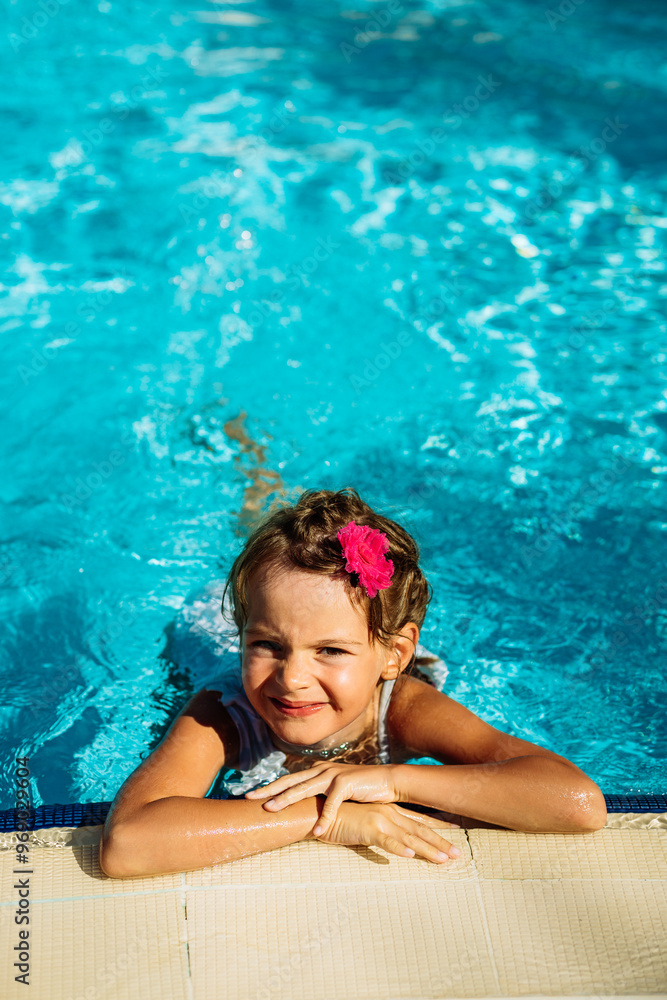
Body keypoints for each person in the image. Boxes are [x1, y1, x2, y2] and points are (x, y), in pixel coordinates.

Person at [99, 487, 607, 879]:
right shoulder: (223, 712)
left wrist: (389, 783)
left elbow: (576, 803)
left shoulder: (403, 707)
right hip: (201, 625)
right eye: (265, 646)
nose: (291, 678)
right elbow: (127, 843)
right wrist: (323, 814)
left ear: (395, 655)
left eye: (331, 651)